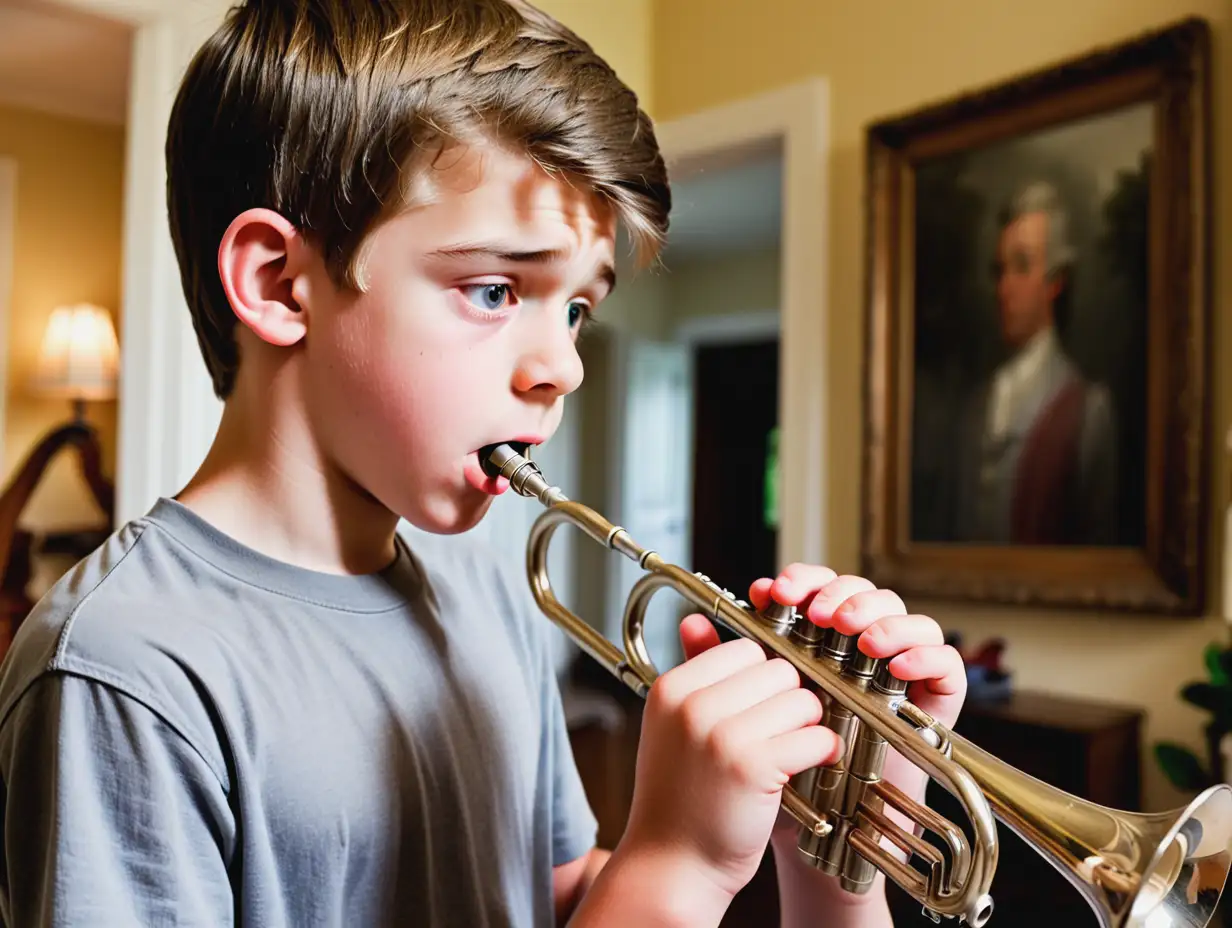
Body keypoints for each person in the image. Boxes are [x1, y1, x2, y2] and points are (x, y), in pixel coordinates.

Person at [0, 2, 968, 926]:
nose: (563, 366)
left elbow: (539, 898)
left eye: (577, 308)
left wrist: (829, 858)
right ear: (279, 283)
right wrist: (671, 868)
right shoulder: (123, 665)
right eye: (497, 288)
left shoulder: (482, 584)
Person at [952, 180, 1119, 546]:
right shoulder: (979, 403)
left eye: (1022, 266)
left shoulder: (1087, 410)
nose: (1004, 287)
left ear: (1056, 280)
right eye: (1000, 270)